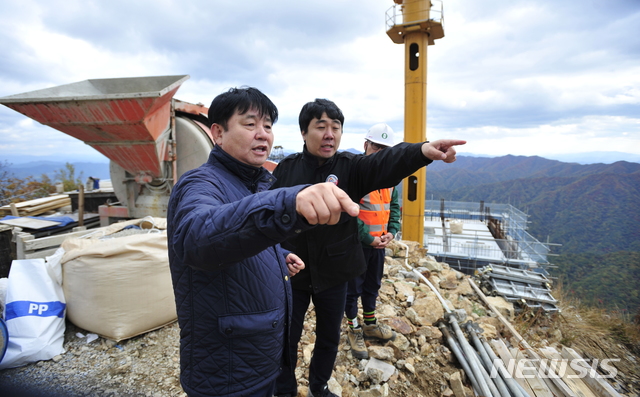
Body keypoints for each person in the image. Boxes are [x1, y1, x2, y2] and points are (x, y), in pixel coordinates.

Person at [166, 87, 360, 397]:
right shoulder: (199, 182)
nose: (263, 134)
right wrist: (288, 203)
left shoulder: (251, 184)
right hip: (229, 374)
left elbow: (238, 232)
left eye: (268, 126)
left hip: (257, 361)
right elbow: (196, 237)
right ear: (218, 132)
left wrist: (276, 254)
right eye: (250, 124)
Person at [271, 98, 465, 397]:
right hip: (293, 271)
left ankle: (319, 387)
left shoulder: (351, 167)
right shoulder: (286, 170)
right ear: (303, 132)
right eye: (320, 127)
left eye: (335, 127)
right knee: (287, 337)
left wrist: (421, 150)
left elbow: (384, 162)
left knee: (328, 337)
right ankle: (282, 389)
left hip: (336, 271)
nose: (329, 134)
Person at [345, 123, 400, 360]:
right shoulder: (355, 174)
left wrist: (392, 231)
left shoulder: (389, 178)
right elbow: (348, 213)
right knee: (352, 289)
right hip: (357, 246)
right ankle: (354, 329)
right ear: (366, 145)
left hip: (379, 246)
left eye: (385, 149)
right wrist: (368, 238)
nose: (380, 153)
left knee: (372, 286)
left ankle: (369, 324)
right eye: (377, 147)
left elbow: (393, 207)